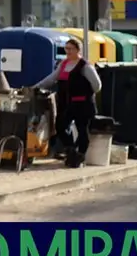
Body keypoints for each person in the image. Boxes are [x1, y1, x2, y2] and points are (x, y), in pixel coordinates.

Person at [34, 38, 103, 168]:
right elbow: (52, 78)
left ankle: (80, 156)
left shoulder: (85, 66)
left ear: (78, 50)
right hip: (66, 103)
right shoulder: (64, 64)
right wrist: (36, 86)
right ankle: (71, 150)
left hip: (83, 104)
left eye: (70, 49)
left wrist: (87, 93)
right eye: (66, 49)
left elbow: (97, 85)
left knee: (82, 130)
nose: (68, 51)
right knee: (60, 126)